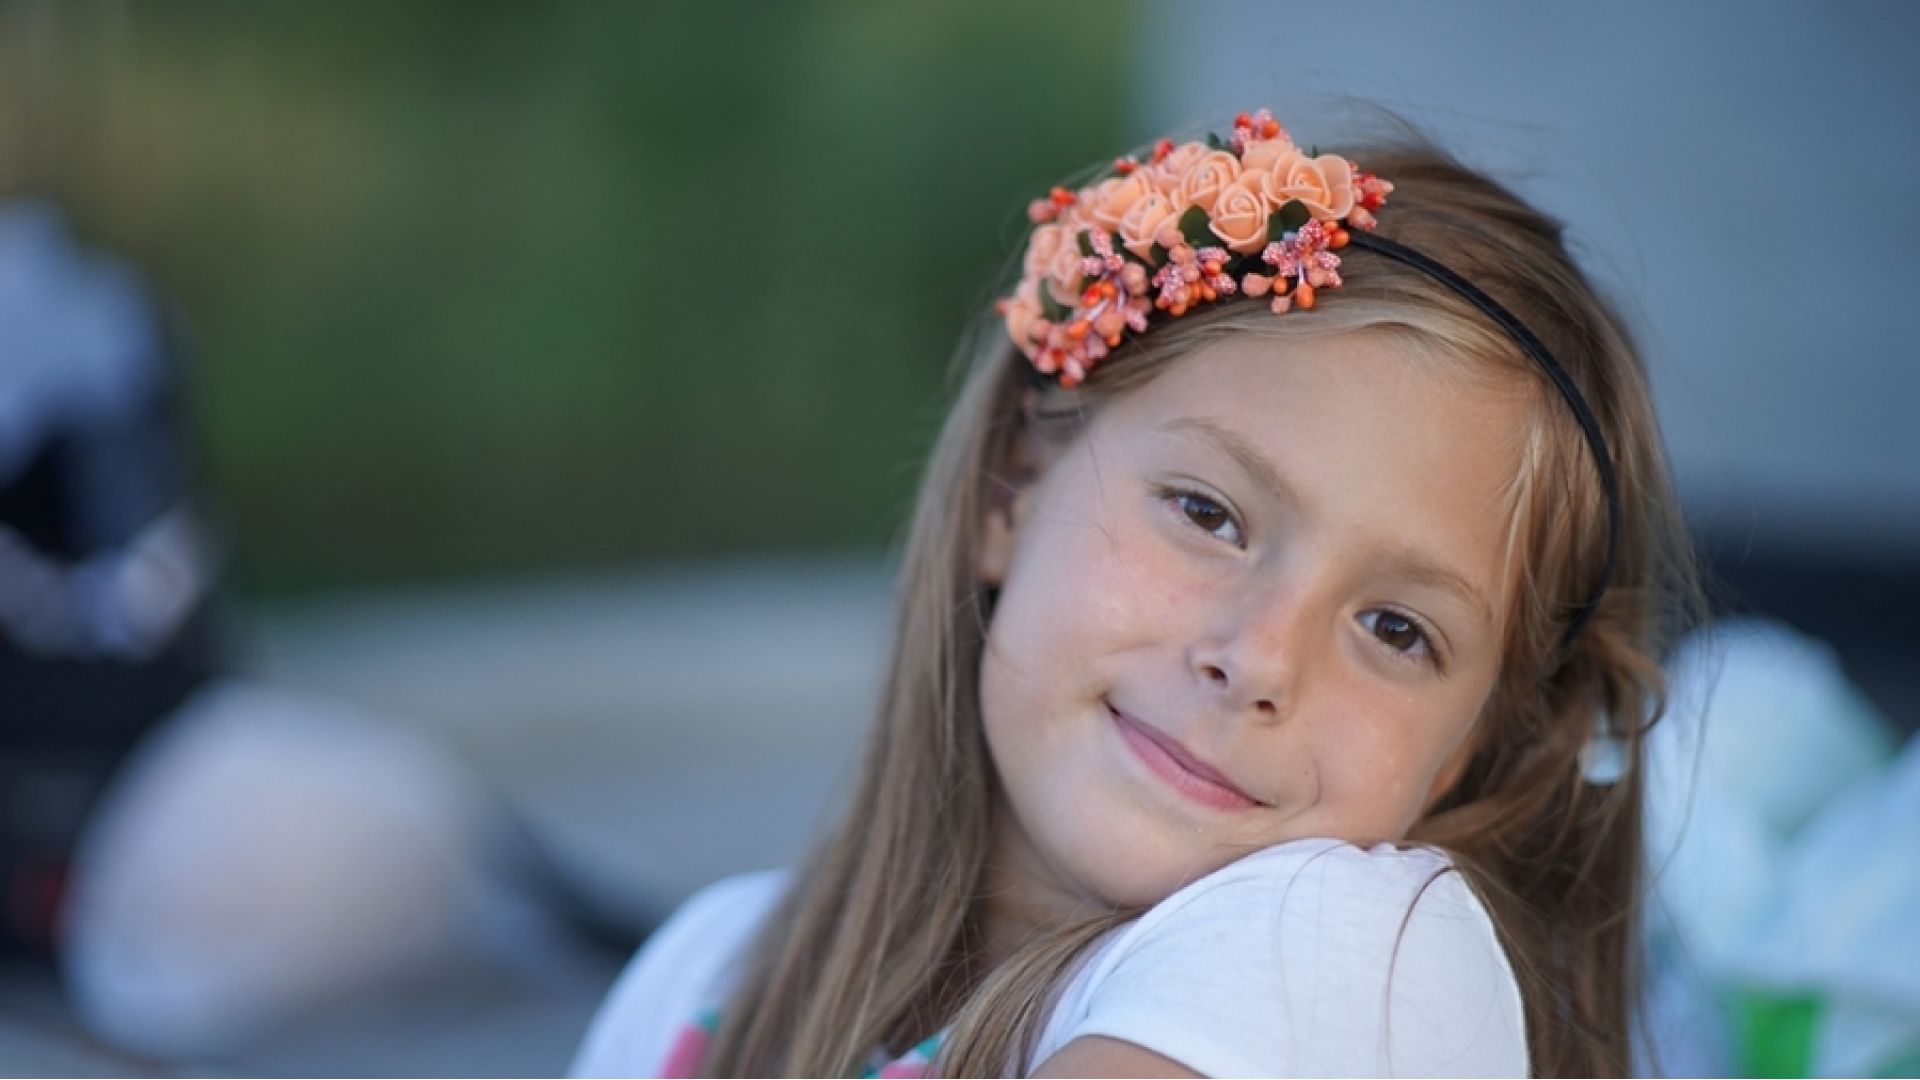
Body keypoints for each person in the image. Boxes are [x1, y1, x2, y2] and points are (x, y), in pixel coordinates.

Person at [570, 107, 1704, 1078]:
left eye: (1395, 629)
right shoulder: (709, 970)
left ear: (1475, 745)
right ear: (1014, 485)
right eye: (1207, 515)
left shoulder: (1355, 946)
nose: (1259, 659)